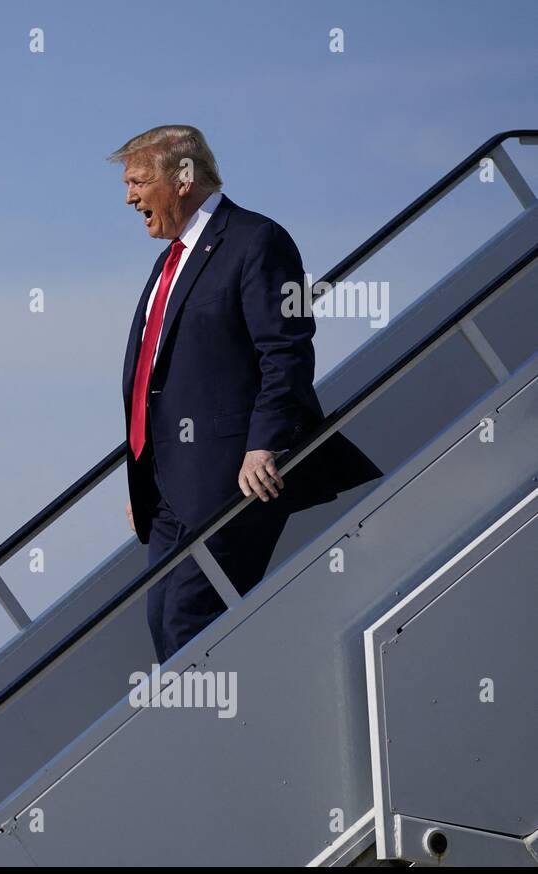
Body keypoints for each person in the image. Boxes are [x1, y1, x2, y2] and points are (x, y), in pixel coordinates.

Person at [111, 125, 382, 663]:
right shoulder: (169, 262)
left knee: (193, 619)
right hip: (170, 486)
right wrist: (147, 467)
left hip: (236, 472)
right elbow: (159, 376)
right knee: (163, 618)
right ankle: (196, 739)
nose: (129, 197)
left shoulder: (256, 240)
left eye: (139, 182)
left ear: (183, 179)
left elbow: (286, 352)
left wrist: (265, 446)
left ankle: (211, 739)